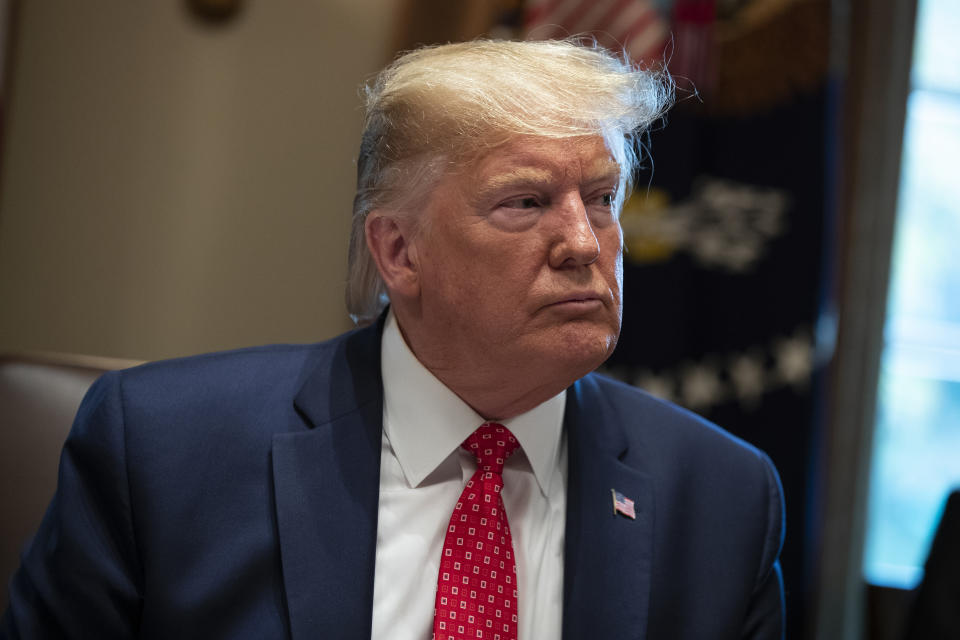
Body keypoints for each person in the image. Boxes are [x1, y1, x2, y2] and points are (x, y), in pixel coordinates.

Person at [1, 39, 784, 639]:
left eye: (603, 198)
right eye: (525, 202)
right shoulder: (162, 452)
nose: (584, 242)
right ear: (399, 252)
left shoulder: (722, 499)